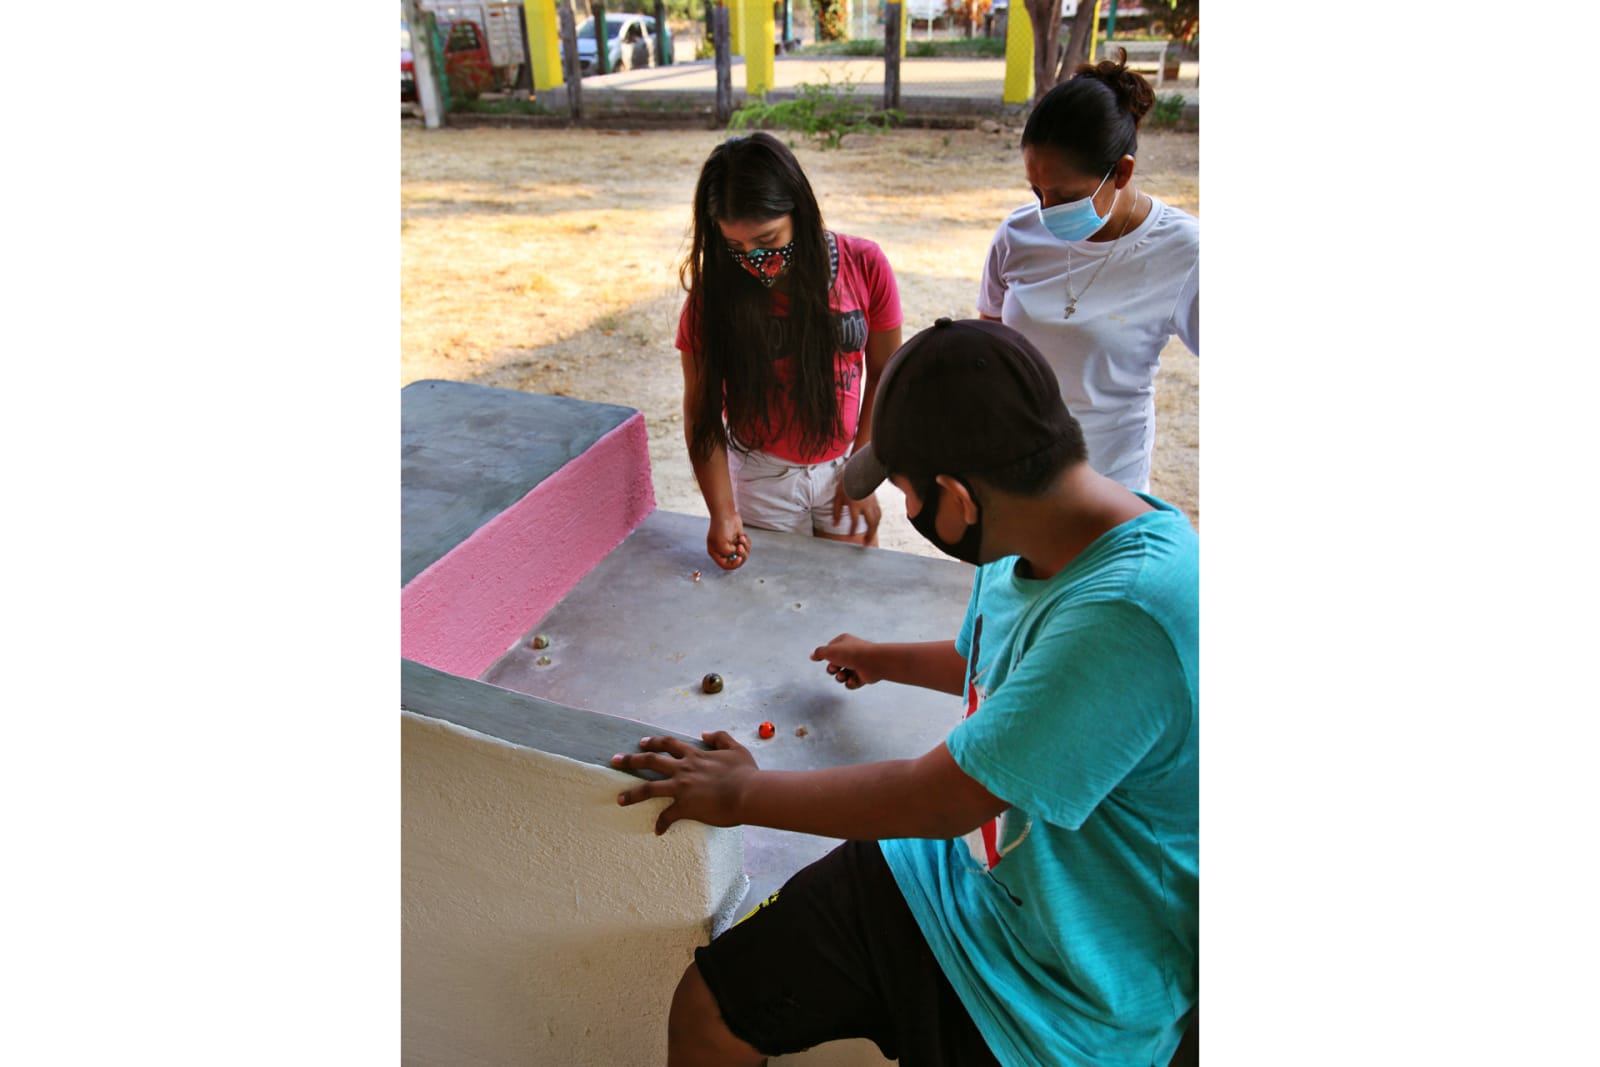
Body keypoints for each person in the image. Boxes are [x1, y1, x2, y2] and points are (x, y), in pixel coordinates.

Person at [612, 318, 1198, 1066]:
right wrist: (883, 658)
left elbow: (940, 799)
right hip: (961, 880)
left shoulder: (1130, 613)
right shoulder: (1039, 529)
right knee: (712, 1005)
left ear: (957, 497)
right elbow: (1010, 671)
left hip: (1068, 988)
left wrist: (743, 794)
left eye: (908, 492)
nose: (911, 511)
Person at [677, 132, 904, 571]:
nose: (755, 259)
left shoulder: (864, 264)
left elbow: (886, 374)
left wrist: (862, 473)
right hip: (763, 476)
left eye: (768, 239)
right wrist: (722, 511)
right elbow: (702, 414)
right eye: (736, 247)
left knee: (849, 588)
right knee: (774, 594)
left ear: (799, 211)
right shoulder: (714, 296)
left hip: (843, 466)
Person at [978, 53, 1200, 494]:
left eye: (1065, 196)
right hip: (1016, 479)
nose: (1046, 210)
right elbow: (991, 343)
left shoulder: (1184, 252)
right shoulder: (1017, 234)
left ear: (1122, 172)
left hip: (1109, 487)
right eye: (1036, 191)